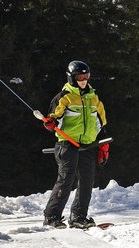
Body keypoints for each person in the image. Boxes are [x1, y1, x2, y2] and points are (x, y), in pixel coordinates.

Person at [41, 60, 109, 229]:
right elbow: (53, 118)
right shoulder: (64, 97)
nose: (84, 80)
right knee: (67, 178)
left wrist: (103, 146)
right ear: (72, 78)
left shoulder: (94, 99)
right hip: (68, 144)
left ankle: (78, 216)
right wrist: (50, 123)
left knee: (87, 180)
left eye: (86, 76)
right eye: (80, 77)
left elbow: (101, 124)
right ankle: (51, 217)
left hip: (87, 145)